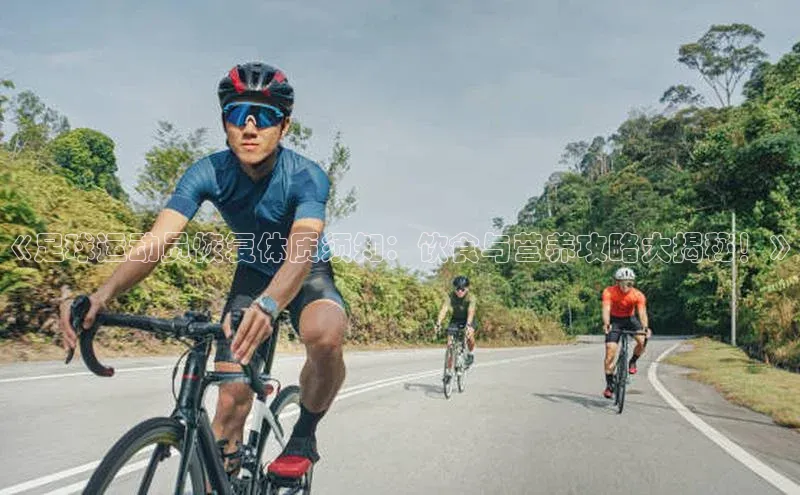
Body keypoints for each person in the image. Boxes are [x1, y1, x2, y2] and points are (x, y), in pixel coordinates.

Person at [59, 62, 348, 474]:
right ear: (224, 123)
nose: (250, 127)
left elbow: (301, 250)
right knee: (231, 398)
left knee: (325, 336)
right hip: (252, 273)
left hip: (307, 270)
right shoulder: (207, 172)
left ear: (283, 128)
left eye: (264, 116)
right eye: (237, 114)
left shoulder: (307, 176)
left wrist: (269, 306)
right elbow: (156, 242)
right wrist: (103, 295)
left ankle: (303, 431)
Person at [601, 267, 651, 399]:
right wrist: (606, 324)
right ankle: (609, 385)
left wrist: (645, 328)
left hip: (630, 319)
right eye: (623, 282)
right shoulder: (609, 292)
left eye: (630, 282)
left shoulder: (638, 295)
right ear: (617, 282)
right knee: (610, 350)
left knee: (642, 341)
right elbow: (606, 309)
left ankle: (633, 361)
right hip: (615, 321)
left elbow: (642, 313)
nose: (627, 285)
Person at [435, 275, 477, 368]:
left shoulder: (471, 297)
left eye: (462, 289)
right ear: (454, 288)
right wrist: (438, 323)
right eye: (457, 289)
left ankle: (470, 353)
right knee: (450, 344)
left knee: (470, 336)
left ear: (467, 288)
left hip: (468, 319)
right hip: (456, 319)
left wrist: (468, 325)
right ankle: (448, 371)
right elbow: (444, 309)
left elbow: (471, 312)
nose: (460, 291)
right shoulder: (450, 296)